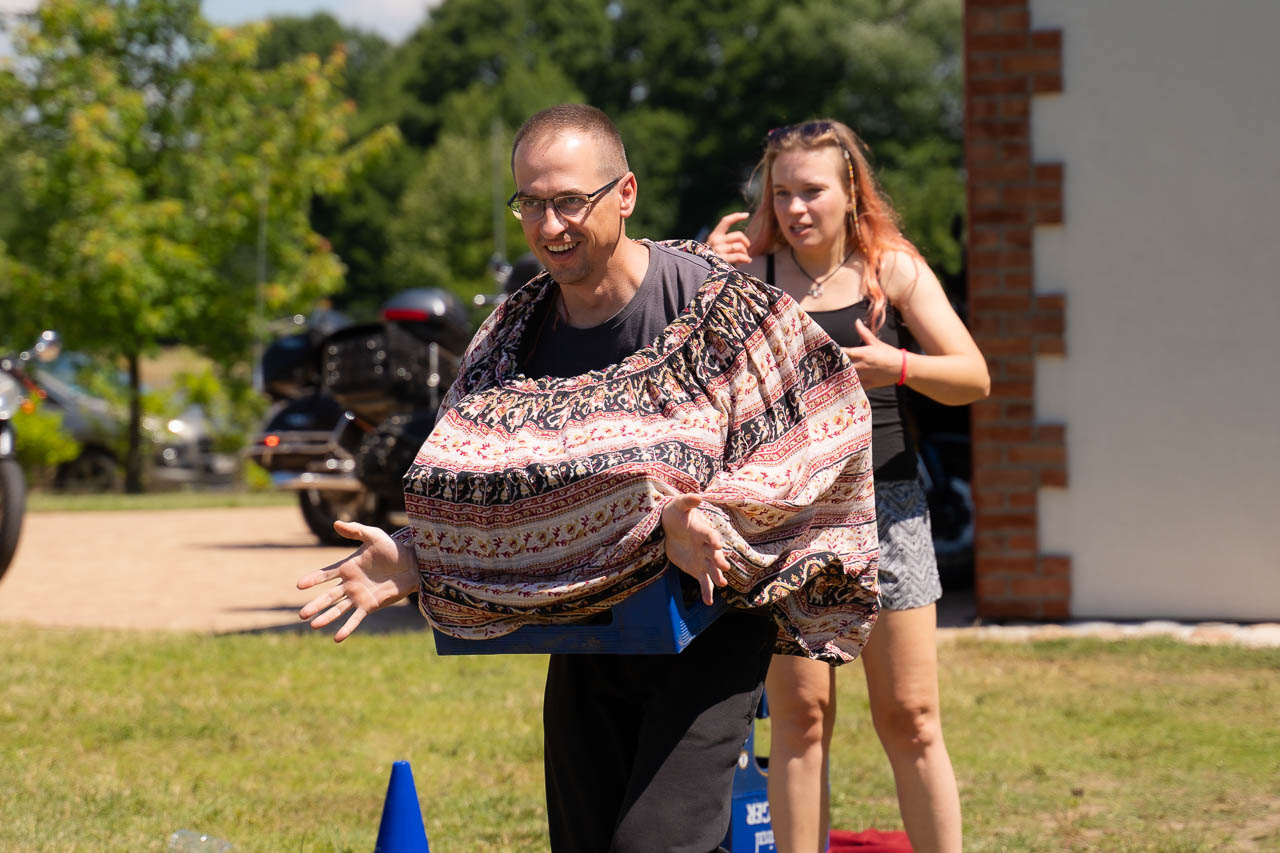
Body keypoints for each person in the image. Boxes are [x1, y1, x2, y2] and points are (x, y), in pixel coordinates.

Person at [297, 105, 883, 852]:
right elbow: (487, 480)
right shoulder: (511, 336)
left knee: (654, 844)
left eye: (570, 201)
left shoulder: (722, 308)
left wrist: (705, 515)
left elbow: (823, 429)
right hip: (587, 633)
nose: (550, 226)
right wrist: (421, 554)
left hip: (709, 627)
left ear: (625, 192)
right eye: (531, 204)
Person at [706, 119, 990, 853]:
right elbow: (692, 378)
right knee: (801, 721)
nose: (796, 208)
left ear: (851, 190)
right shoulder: (750, 272)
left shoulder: (891, 269)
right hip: (790, 518)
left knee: (912, 717)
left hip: (888, 507)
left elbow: (973, 377)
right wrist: (705, 278)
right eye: (782, 193)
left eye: (812, 191)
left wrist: (899, 366)